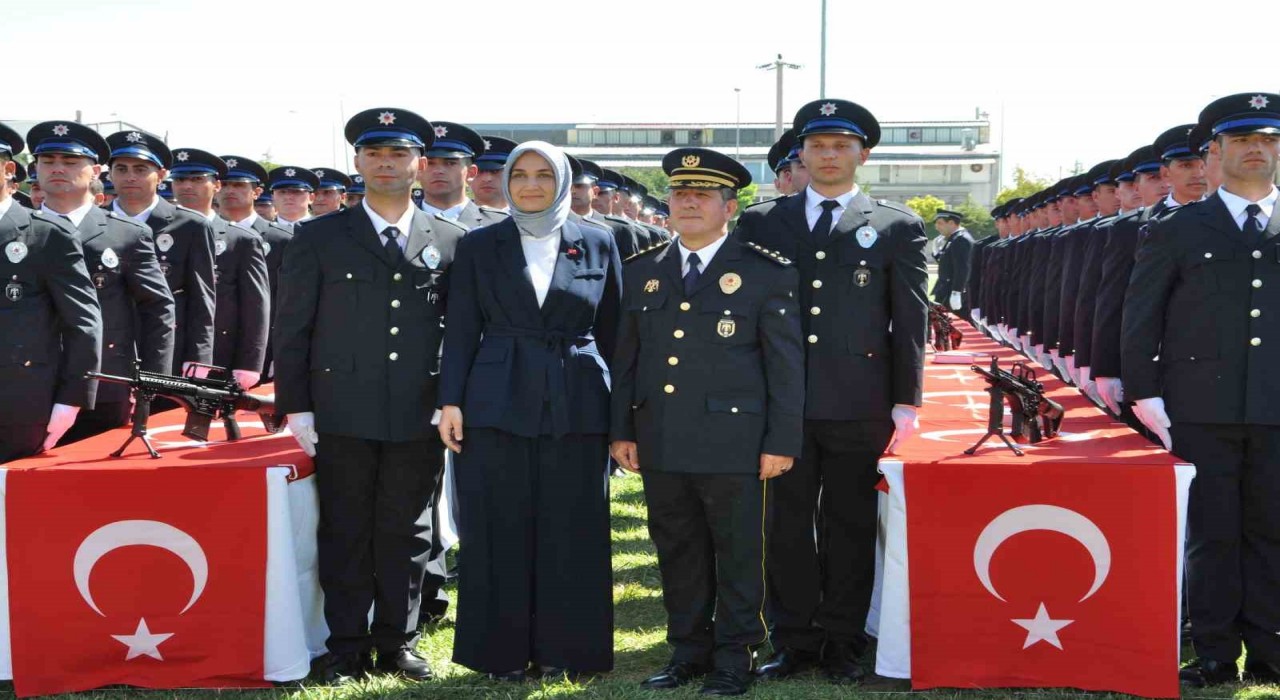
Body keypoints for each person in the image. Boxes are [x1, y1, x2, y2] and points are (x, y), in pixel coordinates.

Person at [736, 98, 928, 685]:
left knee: (847, 523)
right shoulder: (763, 221)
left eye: (841, 146)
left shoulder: (896, 225)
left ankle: (842, 639)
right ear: (801, 154)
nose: (828, 155)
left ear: (862, 154)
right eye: (817, 146)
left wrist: (906, 400)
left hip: (858, 401)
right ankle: (794, 639)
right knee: (787, 525)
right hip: (780, 401)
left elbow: (910, 318)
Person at [275, 107, 468, 683]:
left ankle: (397, 639)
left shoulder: (454, 240)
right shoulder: (318, 235)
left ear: (420, 164)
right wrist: (299, 405)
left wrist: (450, 398)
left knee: (408, 530)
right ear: (356, 162)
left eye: (400, 154)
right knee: (345, 528)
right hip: (342, 410)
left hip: (418, 410)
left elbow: (461, 332)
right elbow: (293, 329)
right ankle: (345, 643)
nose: (387, 164)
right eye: (375, 154)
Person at [611, 147, 803, 696]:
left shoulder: (764, 272)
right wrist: (621, 429)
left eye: (702, 195)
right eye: (679, 193)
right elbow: (627, 361)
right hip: (662, 436)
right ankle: (687, 651)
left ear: (730, 206)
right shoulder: (642, 270)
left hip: (735, 441)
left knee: (738, 551)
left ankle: (733, 656)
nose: (687, 202)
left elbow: (785, 368)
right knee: (677, 548)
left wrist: (781, 439)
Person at [438, 141, 621, 682]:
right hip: (495, 400)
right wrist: (450, 401)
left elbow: (617, 333)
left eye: (545, 174)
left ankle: (568, 649)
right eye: (521, 175)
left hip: (579, 398)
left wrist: (626, 418)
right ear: (505, 182)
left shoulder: (598, 241)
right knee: (498, 524)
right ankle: (500, 653)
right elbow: (462, 327)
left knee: (574, 524)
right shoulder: (480, 244)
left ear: (563, 181)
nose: (532, 185)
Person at [1123, 92, 1280, 688]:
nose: (1257, 151)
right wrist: (1145, 391)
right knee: (1212, 532)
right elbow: (1142, 315)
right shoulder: (1180, 227)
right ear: (1215, 153)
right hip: (1202, 404)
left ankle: (1270, 649)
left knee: (1272, 529)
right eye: (1242, 141)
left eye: (1268, 140)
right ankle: (1213, 650)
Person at [28, 121, 174, 444]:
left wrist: (152, 382)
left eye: (69, 162)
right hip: (26, 384)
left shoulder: (126, 234)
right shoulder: (17, 230)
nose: (57, 169)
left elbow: (157, 309)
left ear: (95, 171)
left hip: (105, 385)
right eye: (48, 161)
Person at [0, 121, 103, 461]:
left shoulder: (45, 234)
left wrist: (70, 400)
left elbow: (83, 323)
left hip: (17, 404)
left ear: (8, 168)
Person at [106, 129, 216, 377]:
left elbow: (202, 298)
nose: (130, 177)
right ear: (109, 174)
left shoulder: (190, 225)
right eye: (121, 169)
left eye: (141, 169)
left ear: (162, 175)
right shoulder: (95, 222)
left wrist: (199, 358)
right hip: (107, 345)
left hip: (166, 346)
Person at [170, 149, 269, 387]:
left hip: (218, 354)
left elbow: (255, 305)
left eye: (196, 179)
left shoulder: (241, 239)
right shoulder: (153, 232)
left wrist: (249, 364)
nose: (187, 186)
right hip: (162, 350)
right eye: (180, 179)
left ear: (216, 185)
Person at [217, 155, 292, 382]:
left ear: (257, 192)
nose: (230, 191)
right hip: (211, 345)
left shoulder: (283, 240)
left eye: (239, 185)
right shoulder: (199, 232)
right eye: (226, 184)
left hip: (264, 348)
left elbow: (290, 302)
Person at [419, 121, 506, 229]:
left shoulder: (500, 225)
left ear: (471, 172)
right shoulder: (400, 222)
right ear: (418, 169)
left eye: (450, 163)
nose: (439, 170)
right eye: (430, 163)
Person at [930, 209, 972, 312]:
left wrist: (957, 291)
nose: (937, 227)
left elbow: (962, 268)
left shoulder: (961, 239)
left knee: (956, 325)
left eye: (940, 223)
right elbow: (948, 264)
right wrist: (937, 253)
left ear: (952, 223)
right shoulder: (953, 238)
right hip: (946, 289)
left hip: (951, 291)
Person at [471, 135, 516, 210]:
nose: (487, 179)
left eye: (495, 171)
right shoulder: (452, 218)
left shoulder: (525, 219)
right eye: (479, 171)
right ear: (469, 174)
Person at [267, 166, 317, 232]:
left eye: (296, 192)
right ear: (273, 197)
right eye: (282, 192)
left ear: (311, 198)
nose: (288, 197)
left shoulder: (324, 229)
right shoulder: (262, 231)